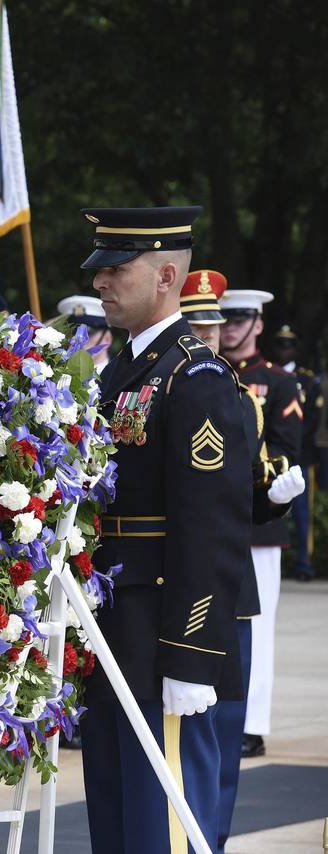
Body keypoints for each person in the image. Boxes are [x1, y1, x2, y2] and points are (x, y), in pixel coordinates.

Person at [77, 206, 251, 853]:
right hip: (117, 626)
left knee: (167, 825)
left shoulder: (195, 377)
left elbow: (211, 529)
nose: (101, 283)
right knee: (121, 820)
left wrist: (192, 653)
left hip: (162, 637)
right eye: (100, 270)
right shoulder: (123, 372)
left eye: (117, 270)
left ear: (166, 275)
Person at [180, 269, 305, 850]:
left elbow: (266, 462)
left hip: (241, 549)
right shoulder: (188, 385)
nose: (215, 334)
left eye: (219, 323)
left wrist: (272, 494)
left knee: (230, 702)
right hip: (185, 557)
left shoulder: (254, 391)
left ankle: (214, 833)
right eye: (202, 324)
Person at [216, 287, 303, 761]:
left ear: (258, 324)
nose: (230, 327)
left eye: (240, 320)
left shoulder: (278, 383)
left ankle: (253, 722)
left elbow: (289, 446)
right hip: (218, 518)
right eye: (225, 320)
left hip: (261, 519)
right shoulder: (211, 374)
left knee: (257, 625)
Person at [268, 324, 322, 582]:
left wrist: (295, 447)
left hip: (301, 456)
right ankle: (279, 559)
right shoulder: (269, 376)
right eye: (280, 344)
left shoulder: (308, 380)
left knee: (302, 514)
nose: (284, 350)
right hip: (274, 455)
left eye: (288, 345)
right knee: (271, 507)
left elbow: (313, 418)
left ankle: (304, 563)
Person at [57, 294, 113, 372]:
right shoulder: (55, 375)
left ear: (107, 339)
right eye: (73, 332)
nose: (77, 339)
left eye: (87, 333)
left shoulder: (119, 376)